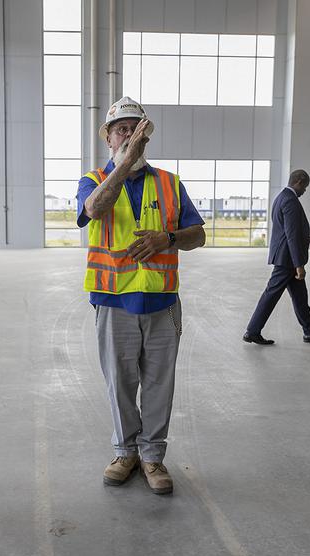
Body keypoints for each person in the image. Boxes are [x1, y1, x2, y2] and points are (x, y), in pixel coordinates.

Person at [78, 96, 206, 495]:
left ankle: (152, 456)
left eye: (135, 130)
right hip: (114, 302)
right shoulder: (95, 179)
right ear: (109, 139)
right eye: (121, 130)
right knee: (119, 382)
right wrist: (125, 161)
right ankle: (124, 451)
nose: (128, 135)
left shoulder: (169, 182)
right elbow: (95, 210)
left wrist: (166, 238)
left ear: (146, 137)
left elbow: (198, 235)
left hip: (162, 303)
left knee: (158, 384)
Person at [243, 169, 310, 345]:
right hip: (288, 260)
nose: (305, 191)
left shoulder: (281, 197)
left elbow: (288, 231)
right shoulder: (290, 200)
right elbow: (291, 234)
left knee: (301, 297)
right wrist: (299, 264)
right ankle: (252, 331)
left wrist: (308, 239)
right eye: (305, 187)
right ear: (299, 182)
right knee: (271, 295)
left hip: (287, 256)